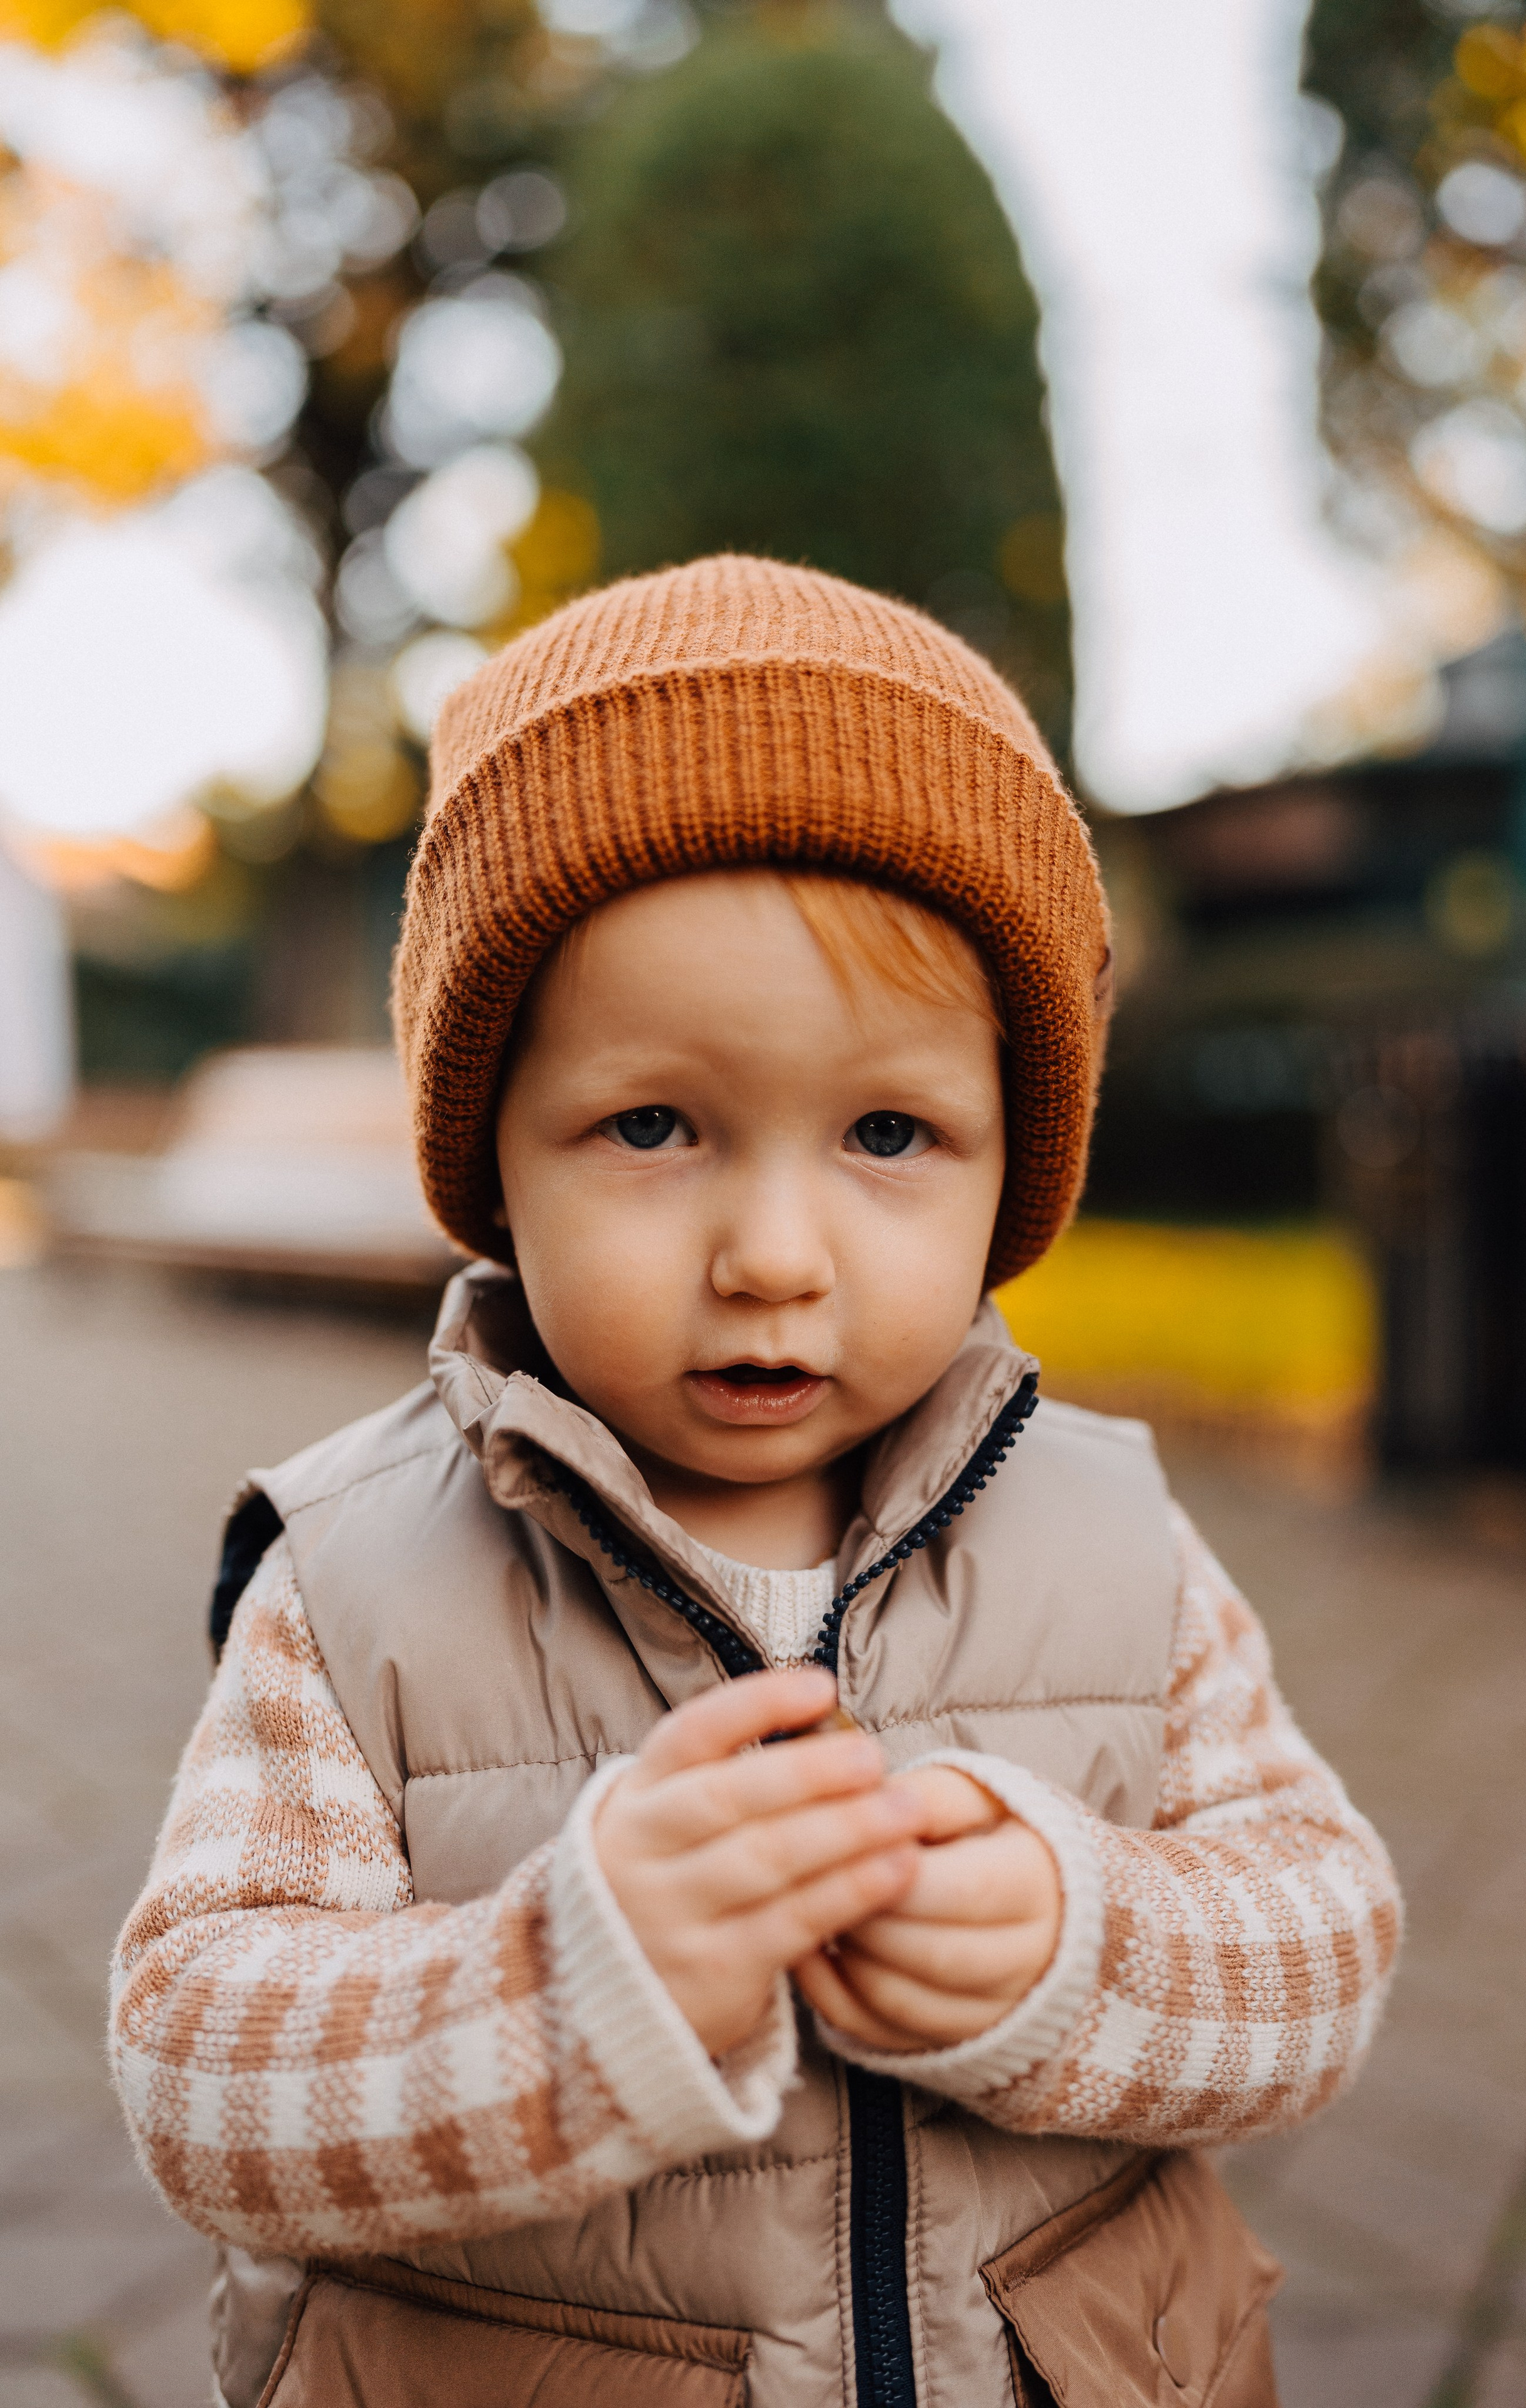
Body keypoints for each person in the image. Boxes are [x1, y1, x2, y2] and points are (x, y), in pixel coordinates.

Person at [111, 556, 1401, 2408]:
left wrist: (1084, 1944)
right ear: (495, 1157)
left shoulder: (1115, 1538)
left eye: (889, 1132)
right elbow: (201, 2074)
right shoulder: (352, 1583)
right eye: (653, 1126)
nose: (775, 1255)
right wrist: (567, 1993)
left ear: (1012, 1162)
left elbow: (1323, 1937)